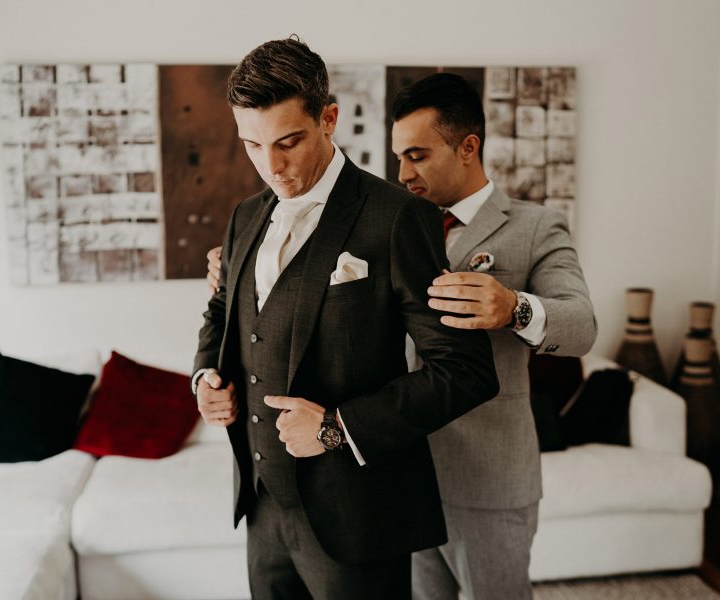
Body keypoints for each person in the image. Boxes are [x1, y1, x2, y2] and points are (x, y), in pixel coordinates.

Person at [207, 72, 597, 599]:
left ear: (467, 148)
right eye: (397, 157)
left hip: (476, 473)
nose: (403, 172)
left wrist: (515, 308)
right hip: (381, 471)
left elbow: (581, 325)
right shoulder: (311, 218)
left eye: (418, 155)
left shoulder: (530, 227)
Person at [192, 39, 499, 600]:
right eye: (252, 145)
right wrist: (206, 380)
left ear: (328, 118)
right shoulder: (244, 216)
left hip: (357, 515)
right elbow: (221, 310)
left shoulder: (397, 218)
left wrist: (337, 427)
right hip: (262, 504)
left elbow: (465, 370)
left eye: (288, 141)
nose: (273, 166)